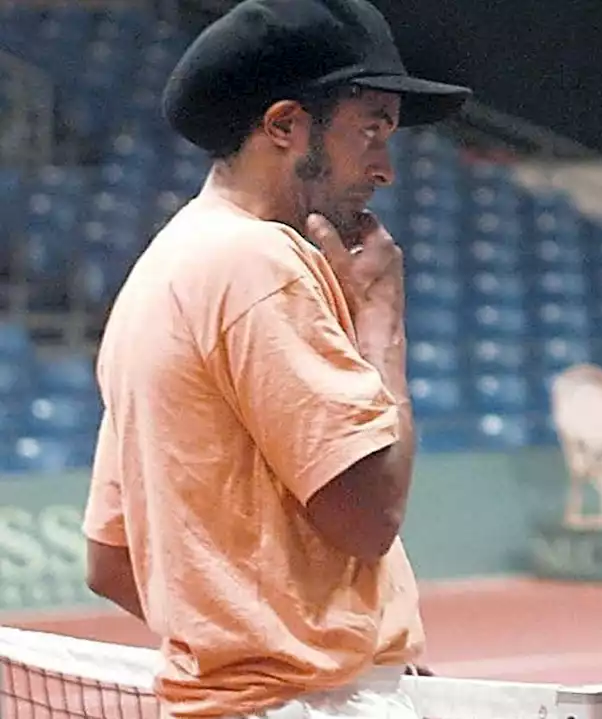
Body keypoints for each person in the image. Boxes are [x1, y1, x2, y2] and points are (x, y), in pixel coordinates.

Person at [79, 1, 471, 717]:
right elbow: (369, 517)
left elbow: (111, 561)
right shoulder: (261, 263)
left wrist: (246, 645)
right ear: (286, 124)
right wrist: (381, 321)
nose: (385, 167)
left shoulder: (165, 266)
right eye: (372, 127)